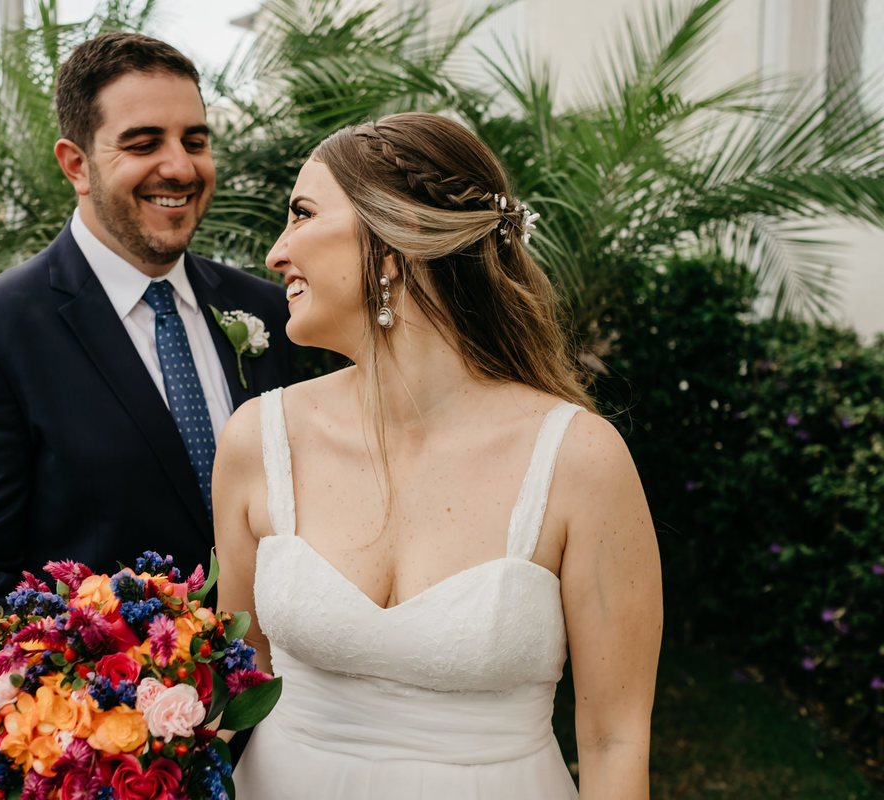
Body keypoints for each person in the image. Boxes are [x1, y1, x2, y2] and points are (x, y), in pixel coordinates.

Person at [213, 112, 662, 799]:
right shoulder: (256, 441)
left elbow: (613, 740)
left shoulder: (580, 460)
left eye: (302, 215)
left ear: (397, 243)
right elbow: (236, 681)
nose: (276, 253)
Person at [0, 32, 294, 690]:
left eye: (195, 140)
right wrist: (78, 720)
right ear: (76, 164)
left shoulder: (270, 313)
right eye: (144, 143)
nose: (179, 166)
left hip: (282, 741)